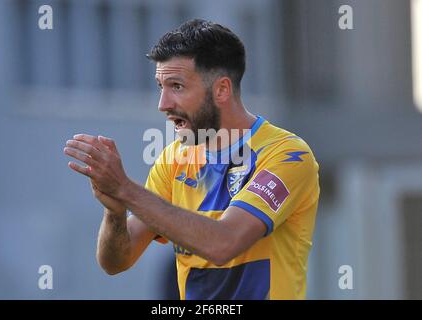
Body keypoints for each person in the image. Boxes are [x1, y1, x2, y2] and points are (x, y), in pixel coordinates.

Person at [63, 19, 320, 300]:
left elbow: (224, 243)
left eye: (177, 86)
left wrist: (125, 188)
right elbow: (116, 262)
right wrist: (115, 210)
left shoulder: (287, 155)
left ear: (221, 90)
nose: (163, 104)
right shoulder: (174, 159)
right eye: (160, 86)